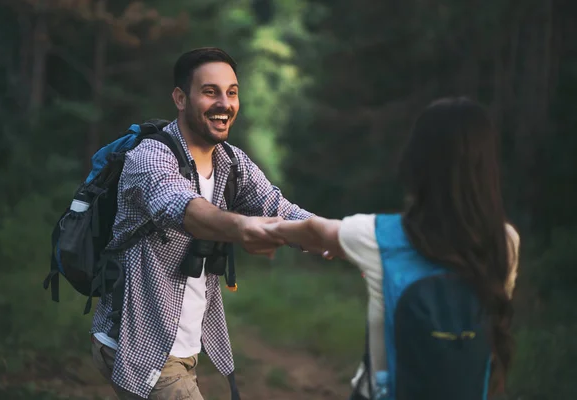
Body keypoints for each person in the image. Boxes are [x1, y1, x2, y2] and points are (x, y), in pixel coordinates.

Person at [89, 47, 314, 400]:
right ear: (180, 98)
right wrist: (243, 227)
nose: (224, 103)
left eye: (232, 92)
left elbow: (281, 208)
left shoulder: (230, 162)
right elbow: (183, 207)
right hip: (139, 345)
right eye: (210, 92)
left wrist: (349, 238)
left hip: (184, 349)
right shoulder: (148, 157)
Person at [265, 97, 520, 399]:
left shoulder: (377, 237)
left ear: (417, 162)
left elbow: (315, 231)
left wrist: (267, 229)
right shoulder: (504, 241)